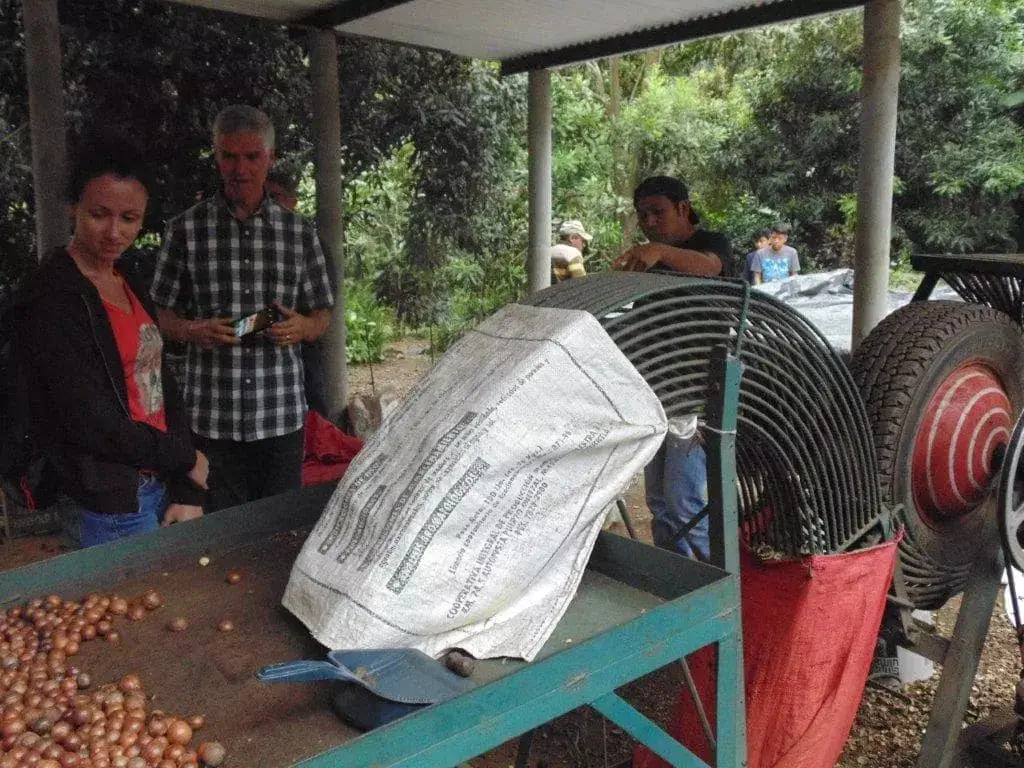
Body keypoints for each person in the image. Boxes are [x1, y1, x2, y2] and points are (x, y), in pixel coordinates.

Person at [16, 134, 209, 548]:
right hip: (108, 500)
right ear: (72, 208)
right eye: (99, 214)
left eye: (129, 218)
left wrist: (186, 485)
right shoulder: (53, 295)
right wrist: (187, 458)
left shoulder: (128, 279)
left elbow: (161, 385)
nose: (114, 232)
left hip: (158, 482)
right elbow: (90, 423)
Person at [152, 105, 335, 511]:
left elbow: (323, 314)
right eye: (229, 156)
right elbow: (161, 317)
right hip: (213, 418)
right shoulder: (185, 230)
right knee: (219, 536)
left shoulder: (300, 233)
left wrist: (302, 327)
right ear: (216, 156)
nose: (240, 168)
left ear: (269, 158)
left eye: (252, 156)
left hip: (281, 416)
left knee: (277, 530)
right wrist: (192, 331)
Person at [613, 175, 732, 560]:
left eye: (657, 212)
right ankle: (675, 573)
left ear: (682, 208)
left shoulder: (710, 245)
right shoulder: (652, 259)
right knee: (658, 501)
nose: (649, 221)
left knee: (684, 501)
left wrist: (659, 252)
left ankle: (708, 579)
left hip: (696, 396)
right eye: (642, 215)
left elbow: (711, 267)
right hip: (657, 392)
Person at [264, 166, 333, 419]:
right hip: (263, 355)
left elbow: (324, 307)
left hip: (304, 350)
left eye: (276, 197)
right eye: (266, 196)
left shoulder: (308, 240)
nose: (270, 204)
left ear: (293, 201)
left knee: (313, 414)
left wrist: (304, 325)